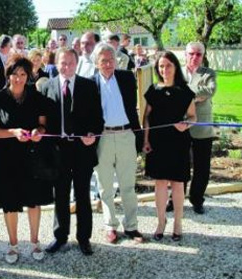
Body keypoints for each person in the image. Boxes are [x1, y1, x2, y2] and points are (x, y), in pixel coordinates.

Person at [0, 55, 53, 263]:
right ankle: (13, 245)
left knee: (34, 201)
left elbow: (43, 125)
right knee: (10, 202)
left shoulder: (35, 95)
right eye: (15, 74)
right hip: (7, 157)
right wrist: (13, 132)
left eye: (23, 74)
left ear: (28, 76)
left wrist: (37, 131)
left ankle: (34, 242)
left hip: (32, 155)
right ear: (8, 75)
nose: (18, 78)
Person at [40, 48, 104, 256]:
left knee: (83, 195)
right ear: (56, 63)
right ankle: (60, 237)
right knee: (60, 195)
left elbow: (98, 119)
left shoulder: (89, 86)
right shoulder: (47, 87)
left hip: (82, 150)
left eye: (70, 63)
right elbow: (43, 121)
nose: (66, 67)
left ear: (76, 64)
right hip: (58, 151)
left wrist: (93, 135)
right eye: (62, 63)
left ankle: (84, 238)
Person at [91, 44, 144, 244]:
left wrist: (139, 136)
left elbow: (134, 107)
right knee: (105, 187)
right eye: (103, 60)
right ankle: (110, 226)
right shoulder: (90, 84)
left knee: (128, 186)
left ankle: (131, 226)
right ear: (96, 63)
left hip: (125, 135)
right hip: (103, 138)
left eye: (111, 60)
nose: (108, 64)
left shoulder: (127, 78)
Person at [143, 51, 196, 242]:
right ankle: (161, 221)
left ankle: (178, 223)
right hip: (158, 142)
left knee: (178, 183)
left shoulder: (185, 91)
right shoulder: (153, 90)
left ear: (175, 67)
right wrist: (146, 140)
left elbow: (192, 116)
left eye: (168, 65)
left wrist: (186, 125)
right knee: (160, 183)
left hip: (178, 141)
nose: (164, 70)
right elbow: (147, 117)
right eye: (161, 66)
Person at [166, 42, 217, 215]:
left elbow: (208, 92)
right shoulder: (175, 72)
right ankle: (174, 199)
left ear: (203, 56)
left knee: (202, 168)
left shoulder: (208, 73)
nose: (194, 57)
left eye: (198, 54)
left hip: (202, 128)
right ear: (185, 54)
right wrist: (194, 96)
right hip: (180, 128)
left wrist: (184, 95)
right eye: (191, 54)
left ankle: (197, 200)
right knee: (177, 165)